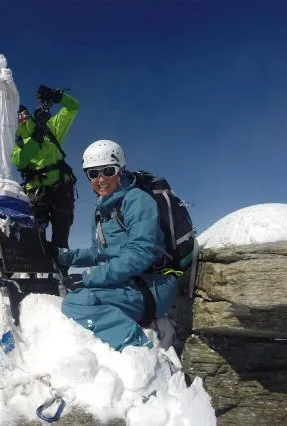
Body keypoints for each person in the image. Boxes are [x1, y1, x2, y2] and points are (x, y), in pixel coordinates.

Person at [56, 140, 177, 351]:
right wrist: (63, 256)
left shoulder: (137, 200)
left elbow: (140, 253)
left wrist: (87, 278)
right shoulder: (102, 211)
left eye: (108, 171)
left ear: (120, 169)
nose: (101, 179)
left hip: (152, 284)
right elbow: (99, 253)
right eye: (93, 174)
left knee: (77, 302)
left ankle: (140, 353)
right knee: (78, 295)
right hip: (127, 282)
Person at [11, 84, 80, 250]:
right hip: (36, 193)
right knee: (34, 237)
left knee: (61, 237)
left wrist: (57, 96)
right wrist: (37, 136)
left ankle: (60, 272)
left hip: (62, 189)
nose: (24, 118)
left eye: (25, 114)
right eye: (19, 116)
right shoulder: (14, 144)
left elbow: (73, 107)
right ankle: (30, 272)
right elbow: (21, 161)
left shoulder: (49, 129)